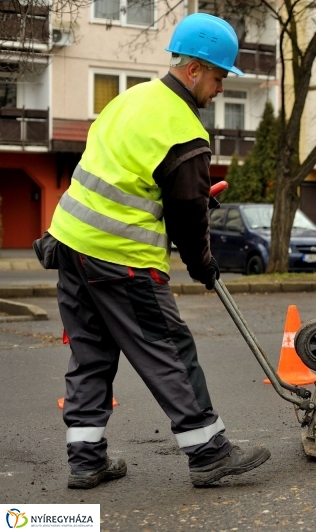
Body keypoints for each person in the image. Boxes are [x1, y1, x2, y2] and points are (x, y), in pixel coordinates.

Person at [34, 13, 270, 489]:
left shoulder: (133, 98)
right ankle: (208, 452)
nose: (221, 88)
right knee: (170, 349)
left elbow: (120, 168)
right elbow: (187, 219)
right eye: (220, 77)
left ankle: (86, 461)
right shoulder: (184, 130)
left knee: (91, 354)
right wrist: (204, 264)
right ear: (195, 69)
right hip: (122, 257)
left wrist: (187, 188)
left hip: (71, 244)